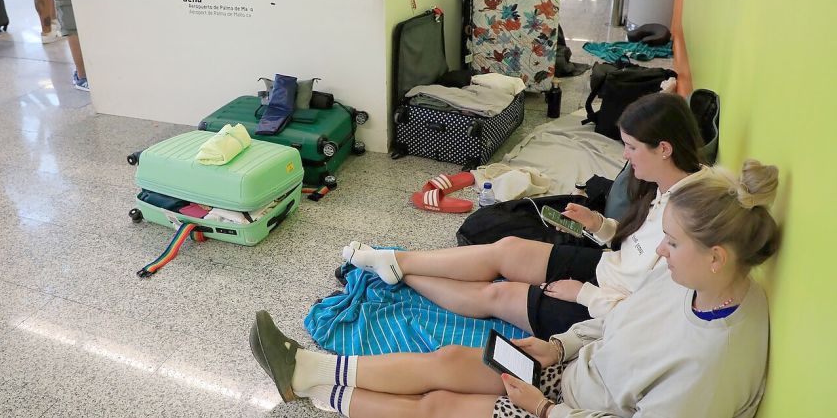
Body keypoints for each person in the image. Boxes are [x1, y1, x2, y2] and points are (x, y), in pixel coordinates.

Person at [250, 159, 779, 417]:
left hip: (576, 411)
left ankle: (316, 388)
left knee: (440, 406)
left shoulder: (712, 364)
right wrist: (558, 346)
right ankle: (309, 371)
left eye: (671, 243)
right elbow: (620, 320)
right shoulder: (693, 280)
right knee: (454, 361)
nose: (660, 253)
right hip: (574, 376)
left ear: (716, 257)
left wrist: (545, 410)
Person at [342, 92, 705, 339]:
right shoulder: (664, 185)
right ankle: (395, 259)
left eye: (631, 147)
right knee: (509, 248)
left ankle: (399, 272)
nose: (625, 156)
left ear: (664, 149)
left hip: (610, 308)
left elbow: (649, 310)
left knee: (499, 296)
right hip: (608, 268)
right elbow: (637, 247)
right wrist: (599, 226)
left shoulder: (691, 214)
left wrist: (584, 295)